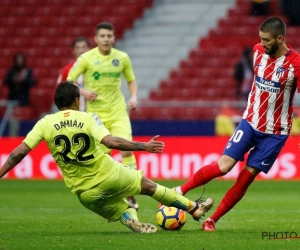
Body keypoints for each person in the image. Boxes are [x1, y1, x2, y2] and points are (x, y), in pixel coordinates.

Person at [0, 81, 214, 233]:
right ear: (77, 100)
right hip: (109, 175)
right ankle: (194, 208)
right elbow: (111, 142)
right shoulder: (88, 118)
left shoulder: (44, 124)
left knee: (124, 209)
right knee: (149, 187)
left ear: (57, 103)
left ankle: (132, 221)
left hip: (85, 193)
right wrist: (144, 146)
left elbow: (19, 153)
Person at [173, 17, 300, 231]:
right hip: (249, 122)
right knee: (223, 166)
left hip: (276, 132)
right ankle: (178, 191)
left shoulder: (295, 63)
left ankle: (211, 220)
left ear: (280, 39)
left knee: (246, 178)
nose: (262, 43)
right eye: (261, 39)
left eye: (267, 40)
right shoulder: (258, 51)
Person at [67, 22, 140, 209]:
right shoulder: (86, 58)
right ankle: (111, 192)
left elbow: (131, 81)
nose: (106, 39)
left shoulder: (122, 58)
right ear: (96, 39)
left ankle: (131, 193)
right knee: (103, 157)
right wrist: (83, 92)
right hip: (96, 117)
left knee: (127, 150)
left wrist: (133, 97)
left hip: (118, 113)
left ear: (114, 38)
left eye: (109, 36)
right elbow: (69, 81)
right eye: (103, 36)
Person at [55, 37, 90, 112]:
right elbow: (58, 92)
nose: (81, 50)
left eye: (84, 47)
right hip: (75, 114)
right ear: (73, 51)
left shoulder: (97, 67)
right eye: (78, 48)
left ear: (89, 49)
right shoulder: (67, 70)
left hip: (96, 112)